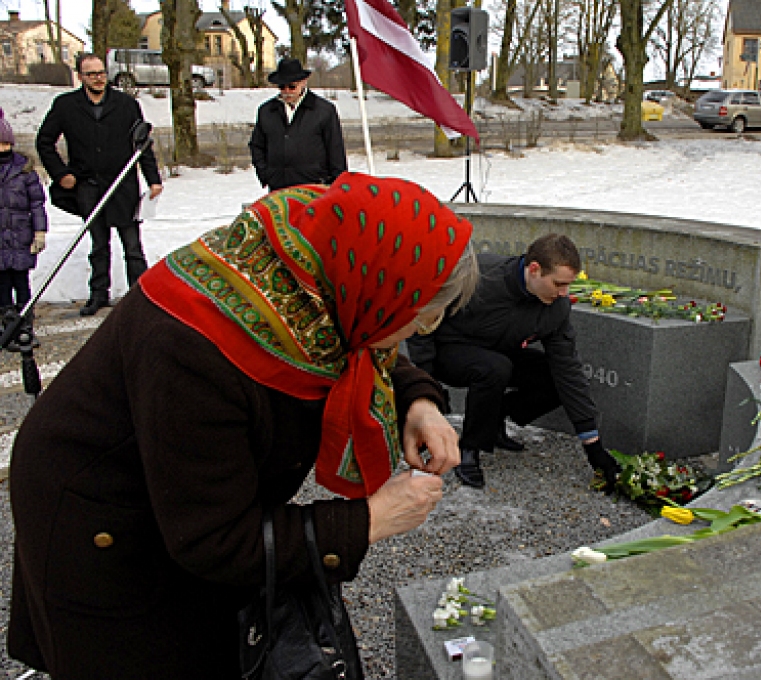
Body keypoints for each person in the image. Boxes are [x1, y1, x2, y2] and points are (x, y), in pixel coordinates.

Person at [7, 173, 478, 679]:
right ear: (380, 295)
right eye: (423, 319)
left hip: (183, 489)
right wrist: (369, 520)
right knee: (149, 652)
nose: (420, 333)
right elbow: (215, 540)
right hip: (107, 516)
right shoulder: (196, 347)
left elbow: (356, 336)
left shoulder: (311, 259)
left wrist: (417, 402)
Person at [407, 233, 620, 490]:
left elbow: (568, 369)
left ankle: (496, 416)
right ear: (534, 270)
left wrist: (593, 447)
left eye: (568, 286)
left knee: (555, 377)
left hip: (499, 354)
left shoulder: (556, 307)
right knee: (494, 368)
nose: (564, 294)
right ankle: (468, 449)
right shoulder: (479, 275)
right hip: (449, 351)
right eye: (558, 284)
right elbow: (423, 322)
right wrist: (427, 386)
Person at [35, 53, 162, 317]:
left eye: (101, 73)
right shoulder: (66, 105)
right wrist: (61, 174)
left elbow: (143, 144)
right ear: (80, 76)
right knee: (98, 244)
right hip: (88, 186)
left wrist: (153, 179)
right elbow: (44, 142)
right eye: (91, 74)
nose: (98, 78)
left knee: (132, 245)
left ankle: (141, 297)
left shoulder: (126, 104)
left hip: (122, 184)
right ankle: (98, 295)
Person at [249, 57, 348, 192]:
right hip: (279, 188)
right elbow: (257, 145)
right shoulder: (266, 111)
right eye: (282, 87)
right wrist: (266, 174)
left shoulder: (324, 110)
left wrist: (337, 186)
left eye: (292, 86)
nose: (287, 91)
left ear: (303, 82)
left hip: (315, 187)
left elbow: (336, 151)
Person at [0, 108, 47, 312]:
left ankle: (25, 320)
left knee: (21, 281)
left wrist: (39, 232)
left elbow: (37, 204)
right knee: (1, 284)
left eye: (6, 143)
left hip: (20, 236)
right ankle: (5, 319)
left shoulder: (25, 171)